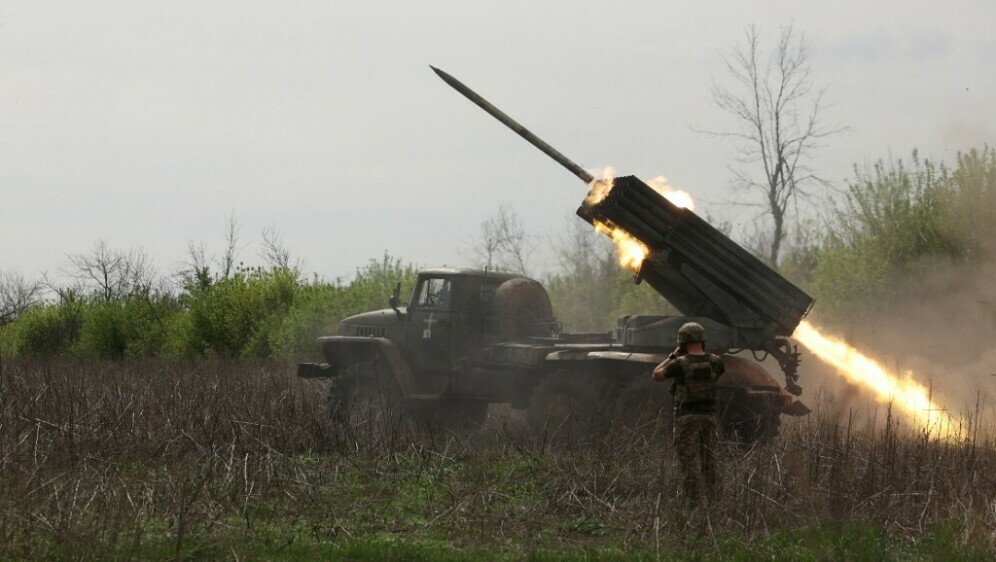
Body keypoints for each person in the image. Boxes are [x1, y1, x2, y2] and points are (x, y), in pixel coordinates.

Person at [652, 322, 725, 505]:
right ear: (703, 339)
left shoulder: (680, 364)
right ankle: (714, 501)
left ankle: (694, 504)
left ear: (682, 342)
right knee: (709, 460)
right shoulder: (716, 361)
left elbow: (657, 374)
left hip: (686, 418)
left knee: (689, 462)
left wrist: (673, 355)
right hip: (709, 417)